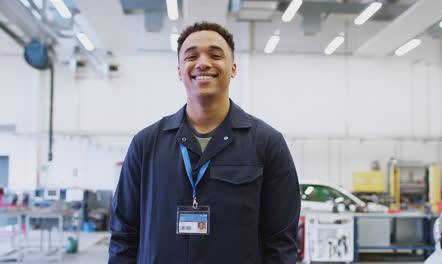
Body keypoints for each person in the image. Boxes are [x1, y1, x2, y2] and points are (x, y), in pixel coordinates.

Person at [108, 21, 300, 264]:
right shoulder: (146, 145)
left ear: (233, 68)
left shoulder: (267, 144)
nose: (203, 62)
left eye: (215, 54)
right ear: (180, 71)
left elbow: (281, 241)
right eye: (191, 56)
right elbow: (124, 234)